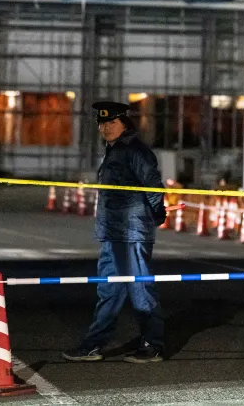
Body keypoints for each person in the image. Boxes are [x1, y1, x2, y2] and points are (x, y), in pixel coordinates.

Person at [63, 101, 168, 364]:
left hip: (132, 233)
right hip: (113, 233)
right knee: (108, 291)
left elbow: (154, 187)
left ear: (124, 123)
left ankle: (152, 344)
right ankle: (93, 344)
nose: (107, 127)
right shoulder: (113, 151)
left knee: (140, 288)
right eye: (103, 123)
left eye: (112, 122)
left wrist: (157, 215)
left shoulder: (134, 150)